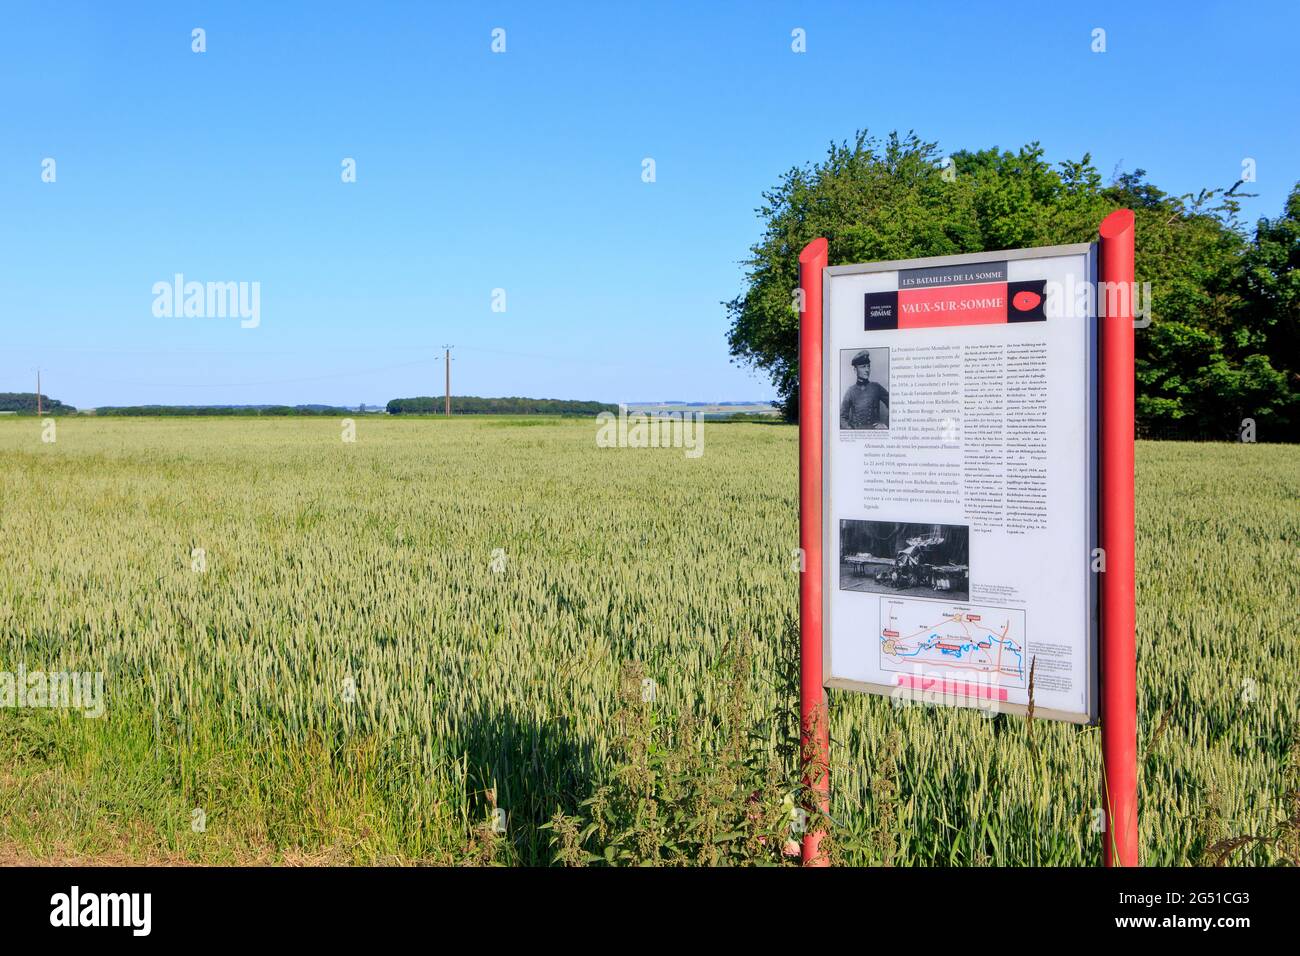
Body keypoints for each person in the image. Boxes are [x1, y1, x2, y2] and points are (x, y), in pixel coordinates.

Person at [840, 350, 889, 429]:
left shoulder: (876, 387)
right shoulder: (850, 391)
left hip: (874, 435)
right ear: (855, 370)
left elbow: (894, 404)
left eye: (868, 366)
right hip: (856, 436)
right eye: (863, 367)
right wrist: (849, 430)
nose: (867, 370)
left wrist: (886, 425)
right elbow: (842, 417)